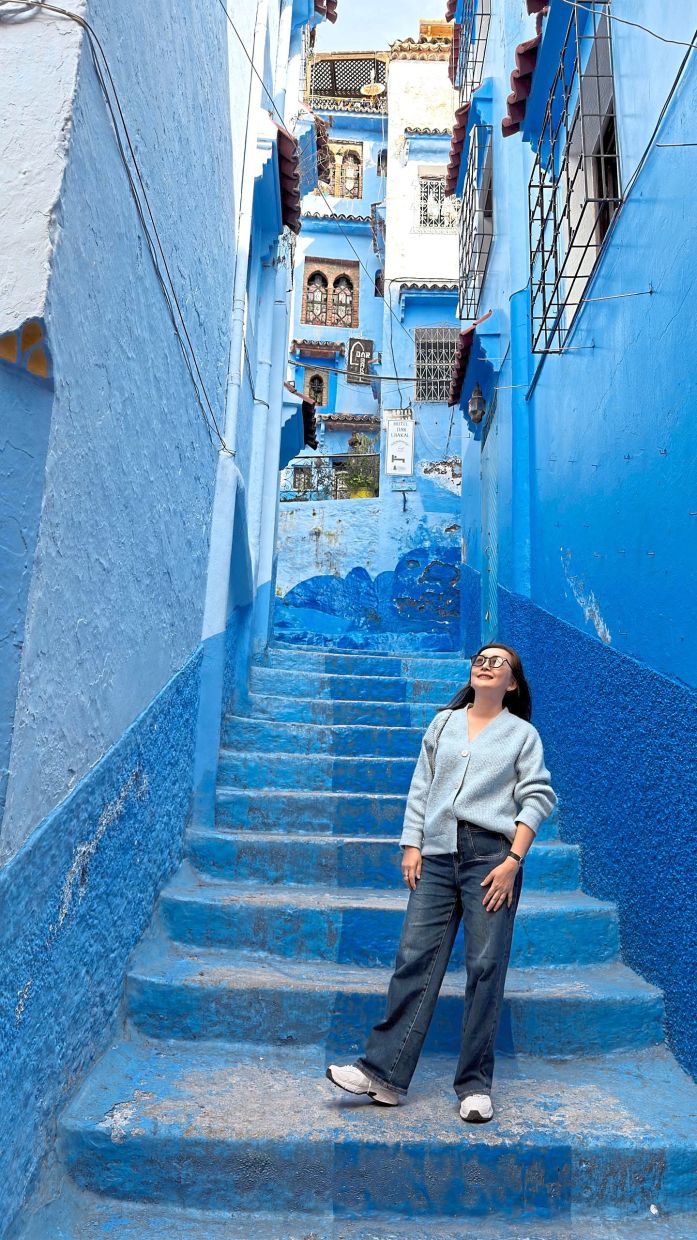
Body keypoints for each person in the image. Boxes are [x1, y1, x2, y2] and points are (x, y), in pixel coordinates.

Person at [326, 642, 557, 1123]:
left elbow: (537, 797)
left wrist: (514, 860)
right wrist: (412, 843)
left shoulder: (522, 735)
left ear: (512, 683)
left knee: (485, 967)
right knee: (414, 959)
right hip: (436, 855)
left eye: (499, 662)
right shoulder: (443, 723)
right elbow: (422, 785)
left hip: (490, 859)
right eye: (481, 658)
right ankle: (384, 1076)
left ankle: (474, 1086)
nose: (486, 665)